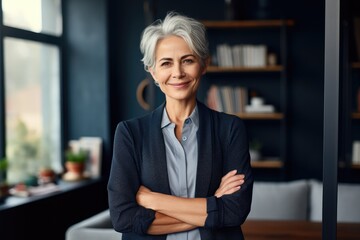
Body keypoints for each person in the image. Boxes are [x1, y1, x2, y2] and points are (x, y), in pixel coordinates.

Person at [107, 11, 253, 240]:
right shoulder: (130, 134)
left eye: (187, 60)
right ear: (153, 73)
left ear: (204, 65)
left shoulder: (230, 129)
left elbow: (235, 212)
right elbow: (123, 217)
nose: (178, 73)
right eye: (166, 63)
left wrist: (153, 201)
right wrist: (213, 206)